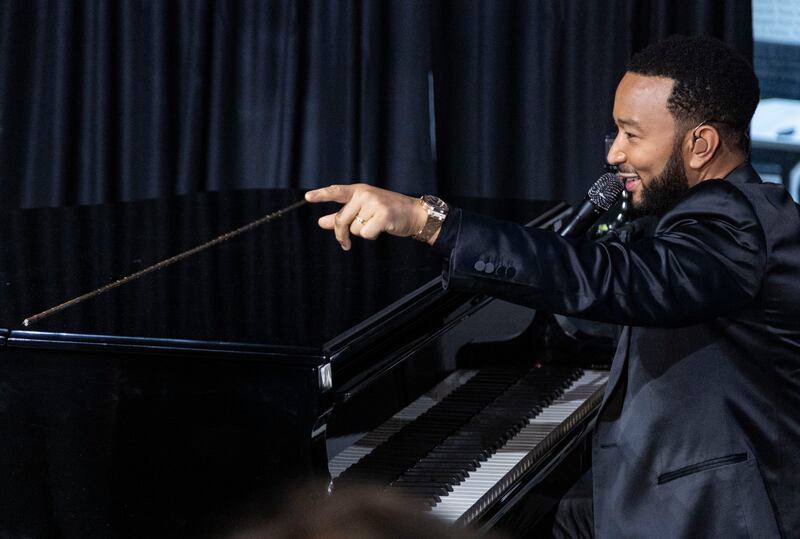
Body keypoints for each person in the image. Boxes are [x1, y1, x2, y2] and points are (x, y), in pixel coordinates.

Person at [305, 35, 800, 538]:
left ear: (701, 144)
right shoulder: (701, 218)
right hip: (657, 494)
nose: (615, 153)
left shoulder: (739, 227)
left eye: (631, 135)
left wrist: (428, 221)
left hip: (717, 518)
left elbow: (617, 278)